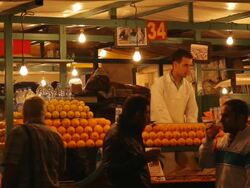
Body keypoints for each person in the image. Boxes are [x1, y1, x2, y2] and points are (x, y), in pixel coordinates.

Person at [2, 96, 65, 188]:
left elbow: (10, 169)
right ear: (44, 113)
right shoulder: (56, 136)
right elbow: (61, 170)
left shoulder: (18, 133)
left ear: (24, 113)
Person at [103, 95, 160, 188]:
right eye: (146, 113)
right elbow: (112, 172)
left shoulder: (133, 131)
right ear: (138, 114)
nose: (148, 118)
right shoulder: (116, 136)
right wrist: (143, 158)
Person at [199, 99, 250, 188]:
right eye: (221, 116)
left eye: (226, 116)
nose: (221, 120)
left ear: (241, 118)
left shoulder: (247, 144)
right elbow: (206, 163)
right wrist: (208, 140)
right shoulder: (223, 141)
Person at [150, 48, 198, 123]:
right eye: (185, 65)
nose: (188, 69)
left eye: (190, 66)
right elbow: (159, 110)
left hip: (181, 131)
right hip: (163, 131)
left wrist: (190, 129)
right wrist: (171, 129)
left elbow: (192, 111)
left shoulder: (188, 87)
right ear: (175, 65)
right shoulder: (159, 84)